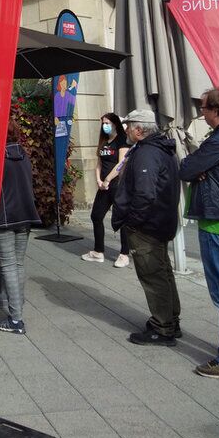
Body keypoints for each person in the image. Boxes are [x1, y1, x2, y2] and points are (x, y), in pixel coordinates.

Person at [112, 108, 181, 346]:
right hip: (160, 221)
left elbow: (144, 193)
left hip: (148, 226)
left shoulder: (147, 153)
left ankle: (163, 328)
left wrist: (133, 221)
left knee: (153, 275)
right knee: (162, 272)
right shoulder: (159, 148)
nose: (126, 130)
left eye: (129, 126)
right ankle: (170, 320)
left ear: (140, 130)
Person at [179, 88, 219, 378]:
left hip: (216, 223)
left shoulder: (217, 141)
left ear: (214, 110)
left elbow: (186, 168)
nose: (200, 112)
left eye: (203, 107)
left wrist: (197, 169)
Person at [0, 118, 41, 334]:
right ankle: (17, 306)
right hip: (26, 215)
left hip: (4, 218)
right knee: (18, 264)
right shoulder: (23, 155)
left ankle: (16, 320)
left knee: (9, 264)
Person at [81, 113, 130, 267]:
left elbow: (122, 163)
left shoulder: (122, 141)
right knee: (96, 216)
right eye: (103, 123)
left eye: (107, 122)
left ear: (115, 123)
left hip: (118, 184)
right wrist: (99, 180)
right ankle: (98, 251)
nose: (105, 125)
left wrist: (108, 179)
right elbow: (99, 163)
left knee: (121, 219)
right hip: (103, 185)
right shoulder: (104, 141)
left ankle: (124, 254)